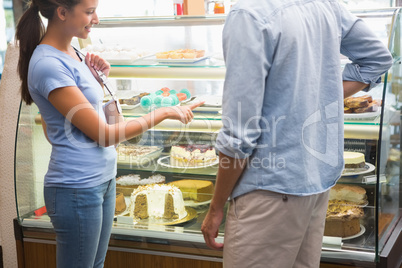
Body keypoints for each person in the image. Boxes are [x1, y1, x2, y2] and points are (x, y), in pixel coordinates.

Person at [201, 0, 392, 267]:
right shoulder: (326, 5)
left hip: (268, 188)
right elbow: (379, 58)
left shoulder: (248, 14)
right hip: (318, 183)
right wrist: (319, 92)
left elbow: (239, 136)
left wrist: (215, 207)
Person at [15, 0, 203, 267]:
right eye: (90, 12)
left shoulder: (76, 54)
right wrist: (163, 113)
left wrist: (103, 80)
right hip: (76, 188)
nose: (97, 19)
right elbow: (104, 135)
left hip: (102, 181)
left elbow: (110, 128)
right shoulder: (48, 64)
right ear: (62, 12)